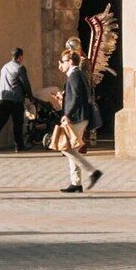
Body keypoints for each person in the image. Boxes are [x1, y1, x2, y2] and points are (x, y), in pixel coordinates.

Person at [54, 44, 104, 192]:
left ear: (70, 61)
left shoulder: (75, 75)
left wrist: (67, 115)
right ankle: (76, 183)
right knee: (72, 150)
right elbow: (75, 95)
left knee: (68, 149)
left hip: (77, 117)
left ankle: (92, 172)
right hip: (79, 116)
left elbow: (76, 97)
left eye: (62, 61)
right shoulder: (76, 75)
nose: (60, 64)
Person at [0, 47, 34, 154]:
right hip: (15, 99)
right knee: (18, 123)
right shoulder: (20, 68)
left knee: (1, 121)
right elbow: (25, 83)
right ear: (20, 57)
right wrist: (30, 96)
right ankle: (19, 146)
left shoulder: (4, 67)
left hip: (3, 98)